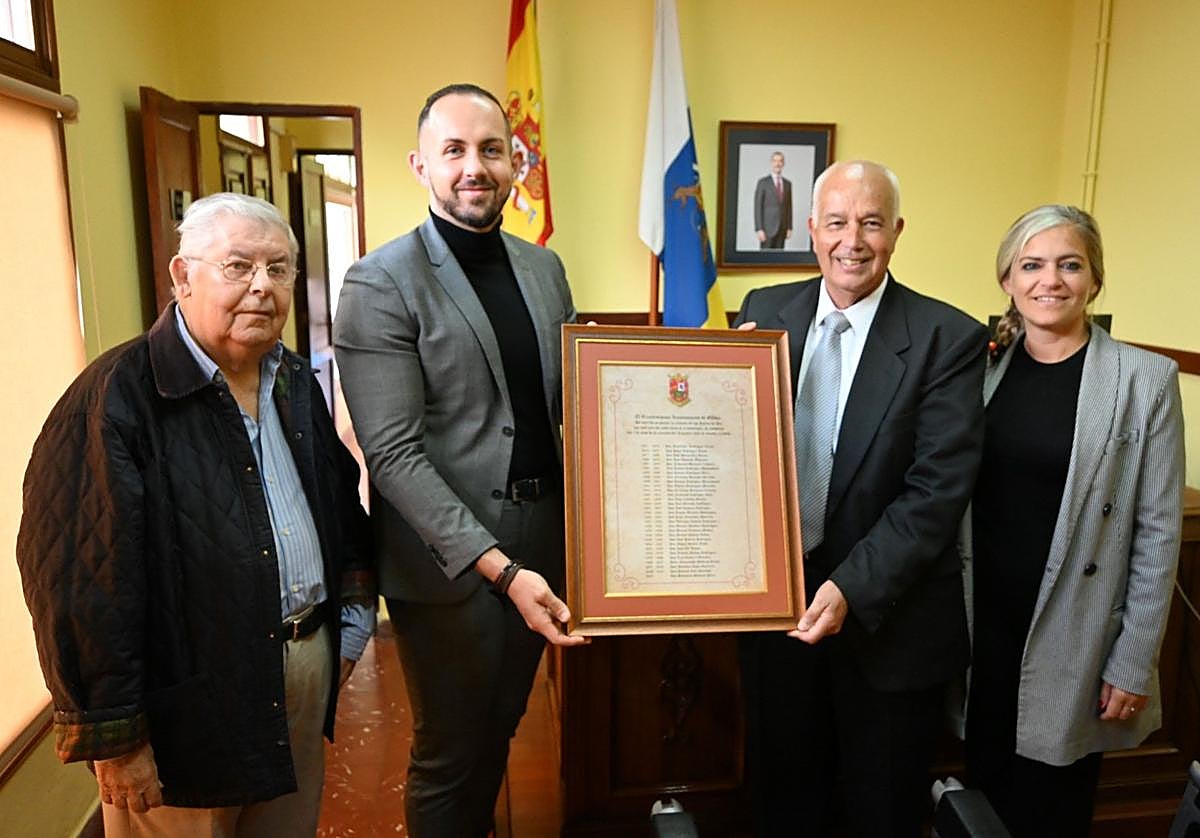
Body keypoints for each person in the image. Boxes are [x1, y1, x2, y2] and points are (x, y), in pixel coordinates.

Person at [16, 193, 376, 836]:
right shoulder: (114, 399)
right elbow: (79, 582)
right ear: (183, 277)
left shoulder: (294, 380)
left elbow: (337, 505)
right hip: (185, 703)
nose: (262, 287)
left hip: (300, 675)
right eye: (238, 266)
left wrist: (347, 629)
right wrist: (116, 739)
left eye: (280, 268)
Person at [333, 83, 587, 838]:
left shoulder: (544, 271)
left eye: (491, 149)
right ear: (422, 165)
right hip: (451, 565)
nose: (474, 167)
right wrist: (502, 570)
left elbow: (572, 403)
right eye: (454, 151)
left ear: (515, 163)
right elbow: (392, 453)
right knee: (450, 754)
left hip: (544, 534)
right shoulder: (380, 282)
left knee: (500, 732)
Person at [734, 160, 987, 836]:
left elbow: (936, 492)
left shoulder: (949, 338)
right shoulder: (763, 313)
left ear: (897, 232)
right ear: (811, 230)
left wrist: (849, 587)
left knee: (878, 813)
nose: (853, 240)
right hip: (775, 619)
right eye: (838, 222)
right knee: (783, 802)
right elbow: (731, 447)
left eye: (872, 223)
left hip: (889, 626)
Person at [963, 205, 1184, 836]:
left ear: (1094, 279)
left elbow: (1159, 531)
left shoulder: (1145, 379)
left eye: (1069, 265)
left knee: (1050, 805)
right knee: (981, 797)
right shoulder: (981, 367)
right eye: (1031, 265)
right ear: (1007, 279)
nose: (1049, 280)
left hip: (1074, 629)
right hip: (986, 624)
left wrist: (1133, 659)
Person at [753, 151, 793, 249]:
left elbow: (789, 207)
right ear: (771, 163)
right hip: (767, 229)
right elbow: (757, 206)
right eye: (775, 161)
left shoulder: (787, 184)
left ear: (783, 163)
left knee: (780, 260)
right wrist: (759, 229)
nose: (777, 163)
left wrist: (789, 227)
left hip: (782, 229)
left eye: (780, 161)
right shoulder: (763, 182)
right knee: (765, 260)